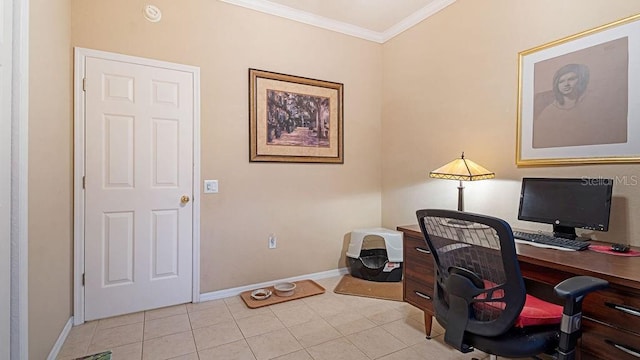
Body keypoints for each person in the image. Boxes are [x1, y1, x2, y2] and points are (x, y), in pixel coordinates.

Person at [532, 63, 627, 148]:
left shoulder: (595, 102)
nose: (566, 84)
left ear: (581, 80)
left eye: (571, 79)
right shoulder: (549, 111)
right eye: (561, 81)